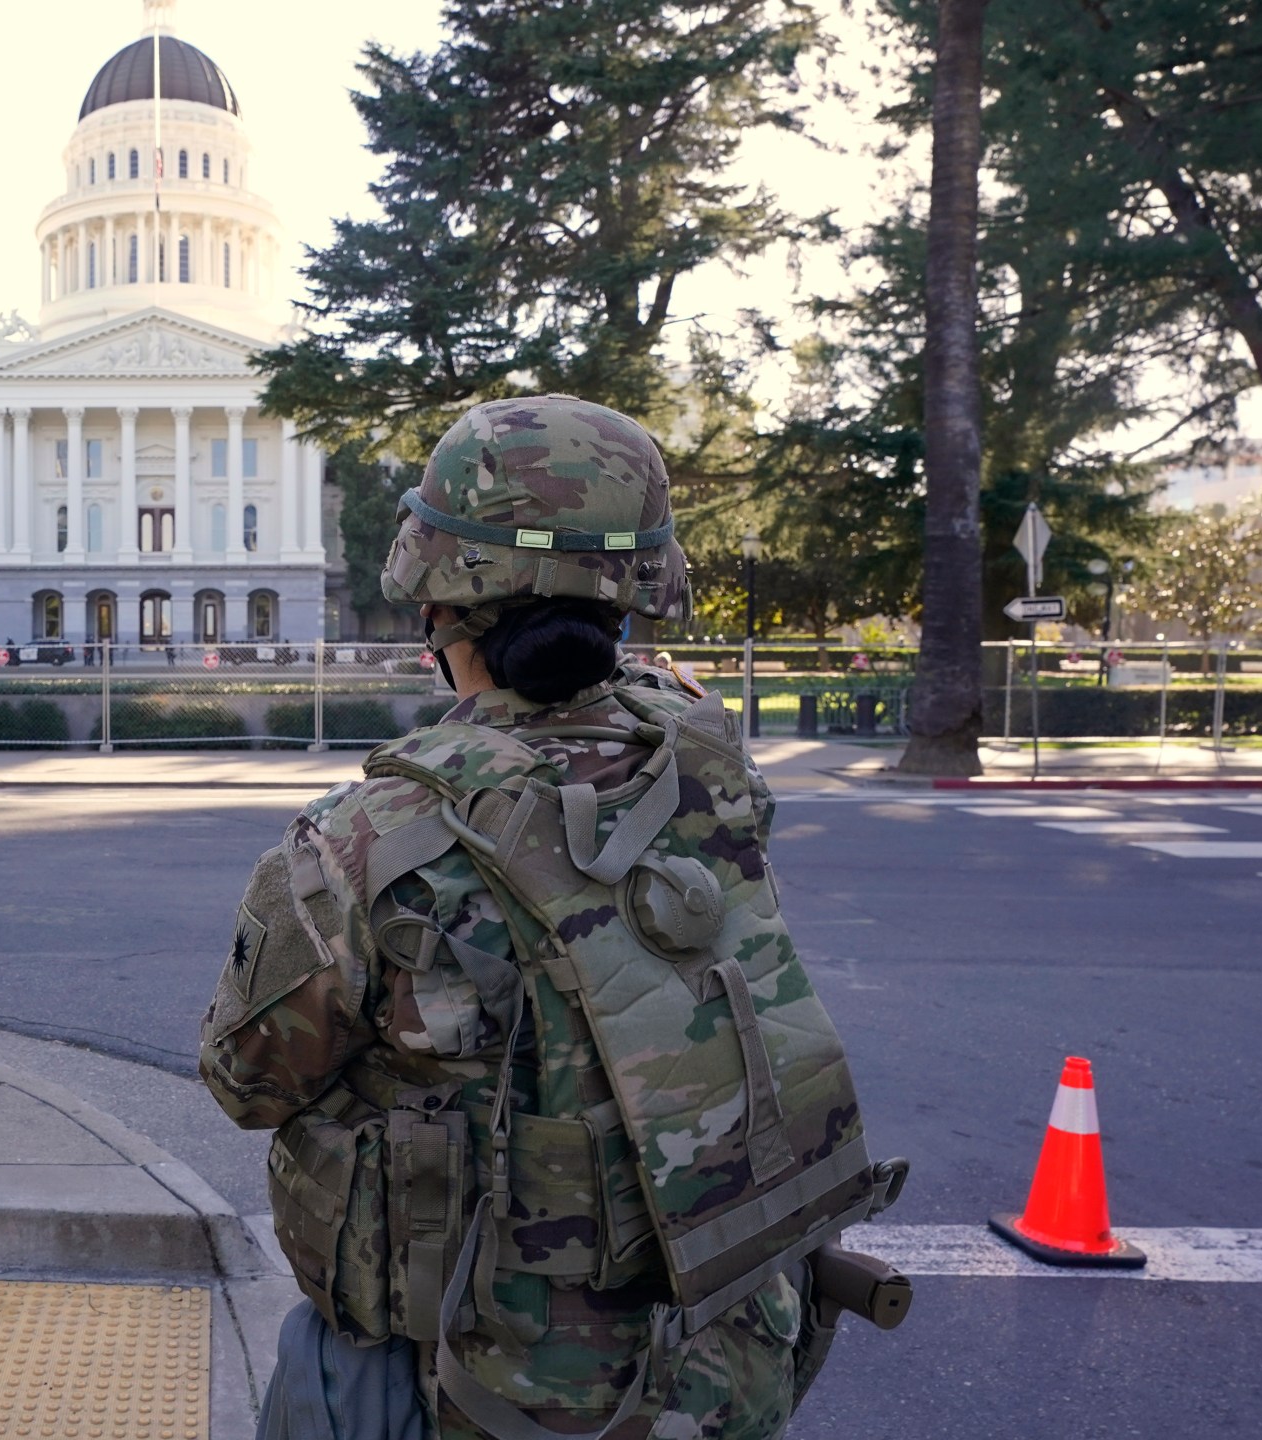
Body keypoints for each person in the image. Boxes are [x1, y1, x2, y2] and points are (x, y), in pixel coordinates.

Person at [201, 396, 901, 1438]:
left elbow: (246, 1079)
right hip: (723, 1375)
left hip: (482, 1397)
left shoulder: (369, 839)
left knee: (325, 1362)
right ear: (638, 588)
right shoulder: (709, 774)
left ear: (435, 596)